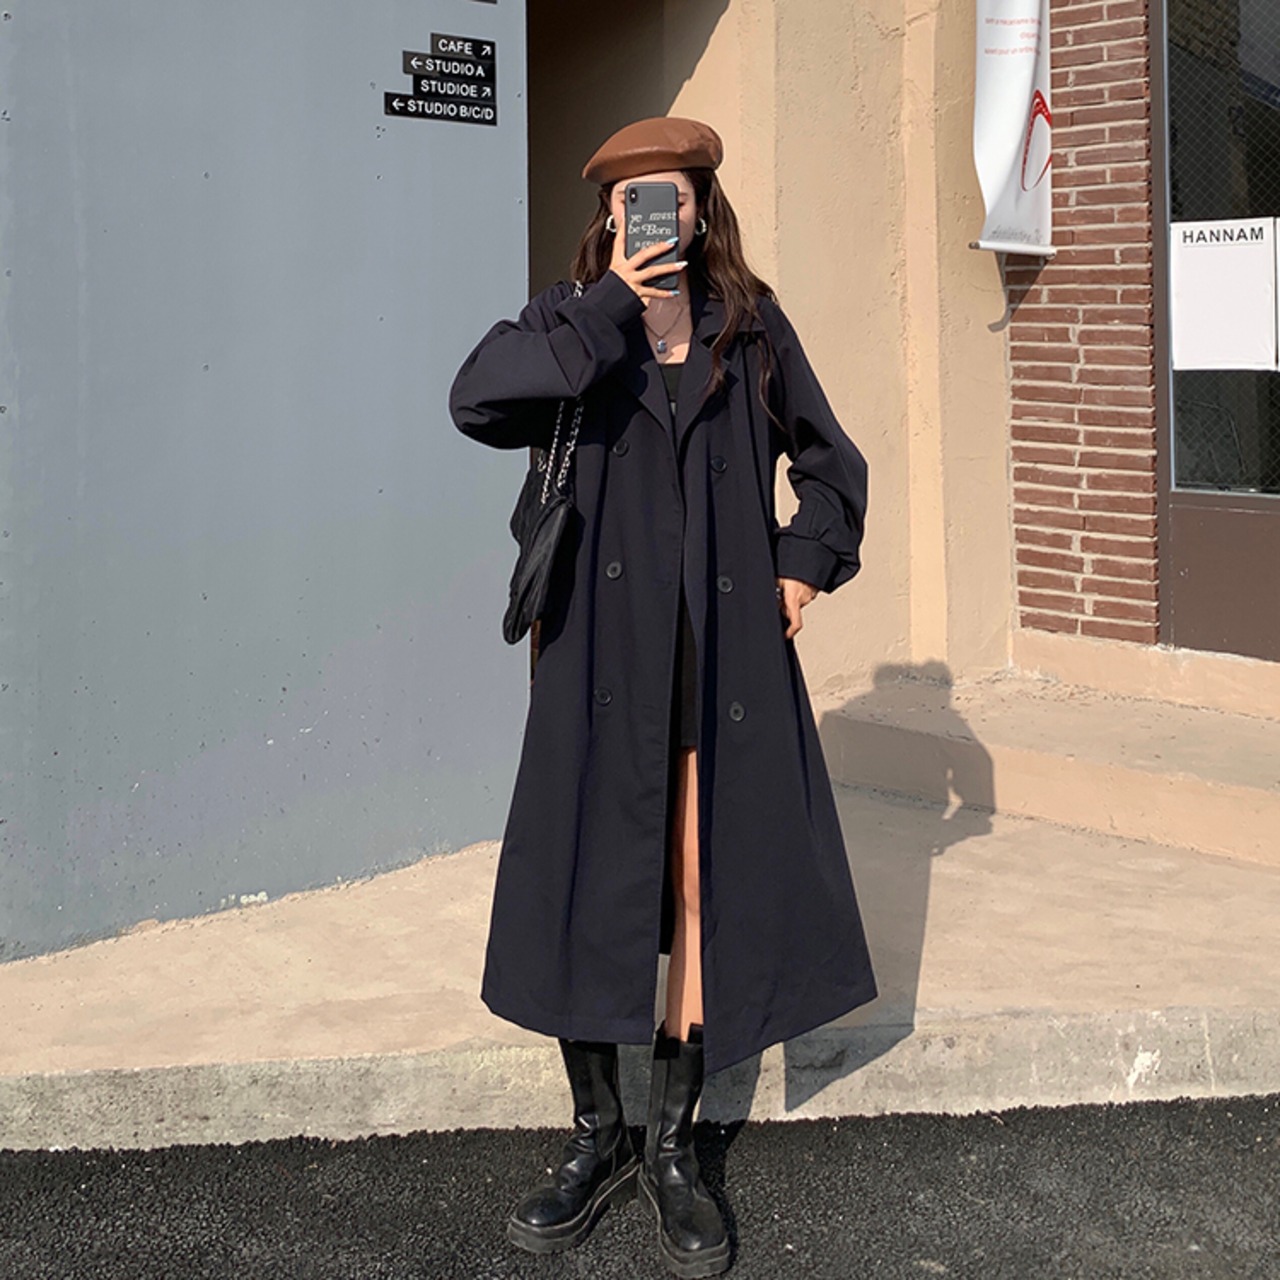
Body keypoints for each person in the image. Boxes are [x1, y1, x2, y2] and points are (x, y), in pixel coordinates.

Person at [449, 116, 877, 1278]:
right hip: (595, 659)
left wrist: (799, 564)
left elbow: (831, 463)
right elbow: (475, 399)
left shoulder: (749, 324)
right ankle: (597, 1135)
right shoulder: (567, 318)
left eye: (671, 197)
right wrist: (606, 309)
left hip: (719, 658)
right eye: (631, 199)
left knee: (695, 881)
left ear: (700, 208)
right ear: (607, 216)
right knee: (586, 879)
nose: (653, 216)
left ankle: (672, 1147)